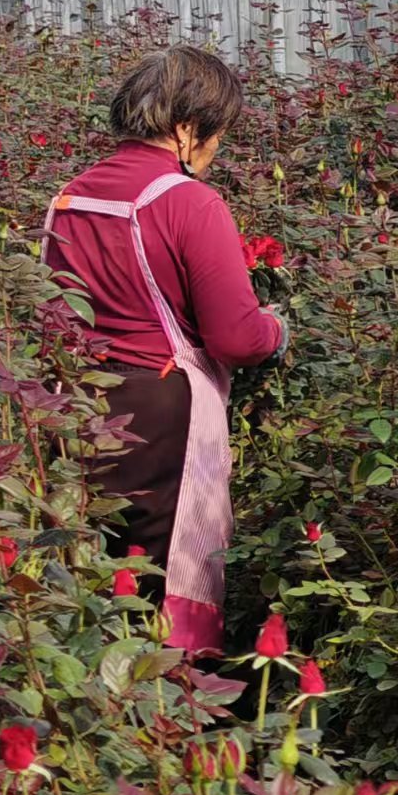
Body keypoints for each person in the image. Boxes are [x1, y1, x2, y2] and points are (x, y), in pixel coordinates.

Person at [39, 45, 287, 656]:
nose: (215, 151)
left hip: (72, 402)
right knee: (162, 571)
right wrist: (279, 329)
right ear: (184, 128)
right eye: (216, 136)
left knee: (87, 563)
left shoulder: (71, 196)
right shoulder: (189, 203)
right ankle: (174, 711)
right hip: (159, 414)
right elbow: (236, 337)